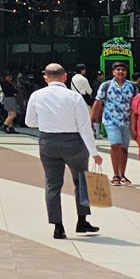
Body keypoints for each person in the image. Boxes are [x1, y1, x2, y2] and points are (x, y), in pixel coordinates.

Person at [26, 63, 102, 240]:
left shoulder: (37, 95)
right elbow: (85, 127)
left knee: (52, 185)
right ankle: (82, 221)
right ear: (65, 76)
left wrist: (47, 123)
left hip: (48, 142)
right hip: (74, 143)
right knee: (81, 181)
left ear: (45, 77)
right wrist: (94, 152)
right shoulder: (74, 97)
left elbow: (30, 122)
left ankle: (57, 226)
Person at [92, 63, 137, 186]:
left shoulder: (132, 86)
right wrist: (92, 119)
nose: (120, 72)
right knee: (115, 145)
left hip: (126, 121)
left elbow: (136, 105)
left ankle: (123, 174)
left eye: (123, 70)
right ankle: (116, 174)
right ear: (113, 72)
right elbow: (98, 101)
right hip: (111, 120)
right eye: (118, 70)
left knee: (124, 148)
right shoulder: (106, 85)